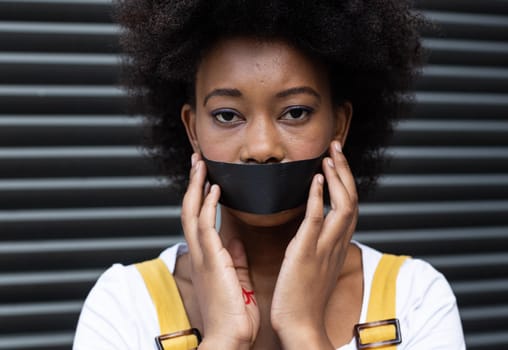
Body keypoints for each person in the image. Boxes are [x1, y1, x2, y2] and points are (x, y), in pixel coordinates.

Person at [74, 0, 465, 349]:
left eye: (295, 112)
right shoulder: (125, 303)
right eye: (227, 115)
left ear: (339, 126)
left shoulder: (414, 297)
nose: (262, 149)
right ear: (193, 130)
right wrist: (224, 338)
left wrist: (303, 329)